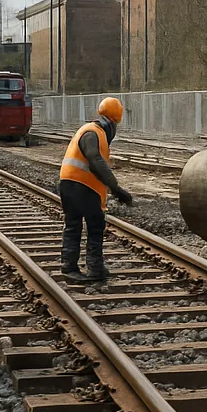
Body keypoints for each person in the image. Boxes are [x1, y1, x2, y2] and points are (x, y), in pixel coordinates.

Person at [59, 97, 134, 283]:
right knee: (95, 225)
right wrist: (115, 188)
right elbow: (95, 160)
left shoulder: (87, 130)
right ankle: (94, 268)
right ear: (113, 122)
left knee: (73, 224)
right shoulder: (94, 133)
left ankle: (70, 267)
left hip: (67, 183)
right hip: (82, 186)